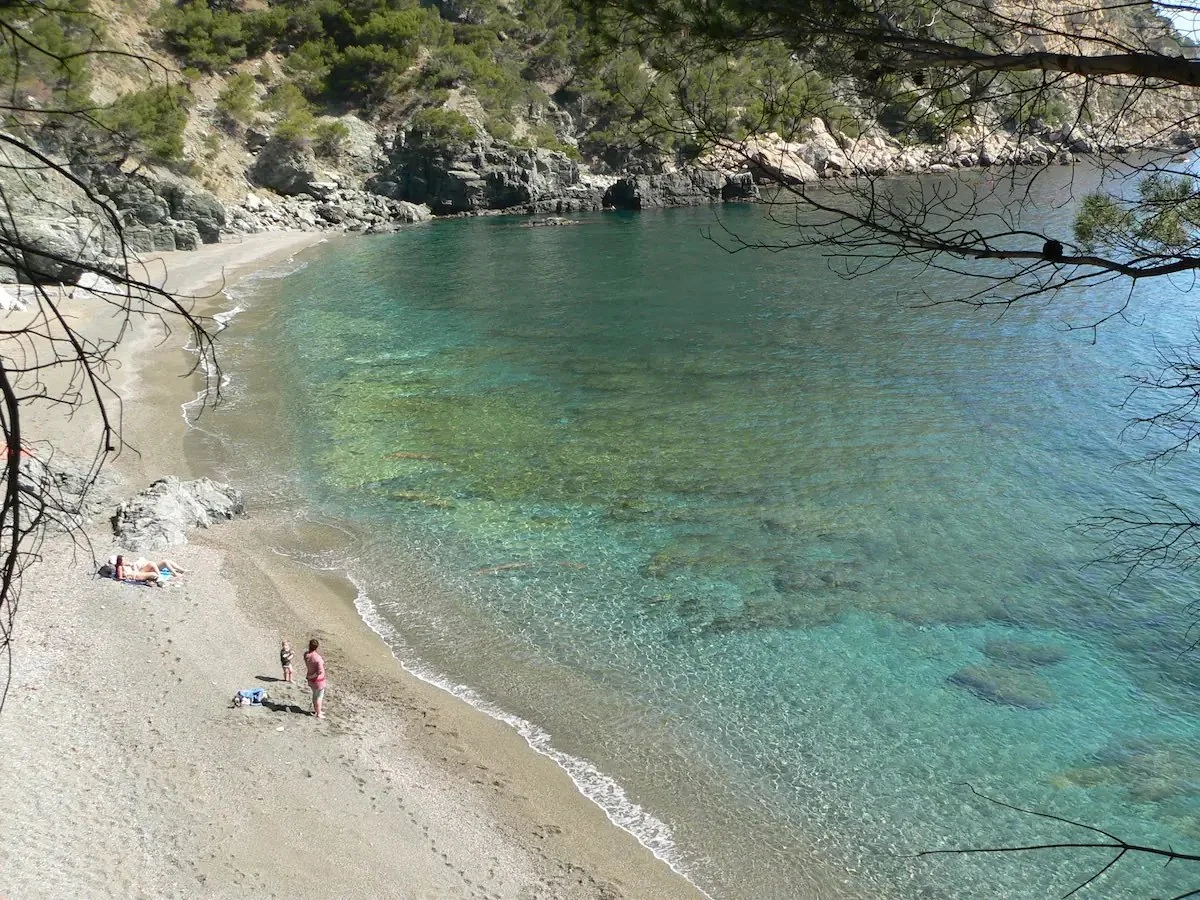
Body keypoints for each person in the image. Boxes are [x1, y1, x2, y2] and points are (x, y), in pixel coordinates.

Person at [304, 638, 326, 719]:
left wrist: (309, 677)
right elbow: (319, 672)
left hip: (311, 679)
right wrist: (311, 676)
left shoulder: (306, 655)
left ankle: (317, 710)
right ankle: (318, 713)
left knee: (314, 695)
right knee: (319, 697)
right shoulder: (318, 658)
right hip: (318, 680)